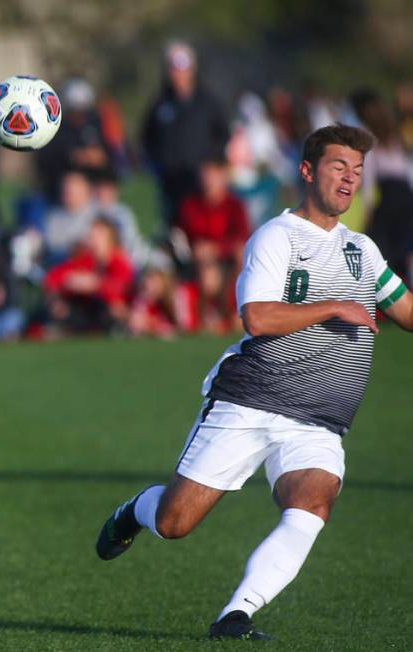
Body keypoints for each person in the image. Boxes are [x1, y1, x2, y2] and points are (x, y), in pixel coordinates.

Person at [94, 124, 413, 640]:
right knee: (175, 523)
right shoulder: (276, 236)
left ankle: (235, 615)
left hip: (319, 420)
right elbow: (258, 318)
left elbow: (407, 311)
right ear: (307, 171)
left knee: (313, 503)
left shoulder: (364, 250)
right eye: (339, 166)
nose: (350, 179)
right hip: (251, 400)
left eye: (357, 170)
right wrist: (332, 306)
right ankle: (135, 509)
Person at [141, 41, 230, 227]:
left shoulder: (208, 103)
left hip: (201, 183)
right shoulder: (160, 104)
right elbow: (148, 138)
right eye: (174, 68)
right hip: (171, 183)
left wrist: (212, 166)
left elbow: (223, 135)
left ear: (192, 69)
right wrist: (159, 164)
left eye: (183, 68)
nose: (179, 74)